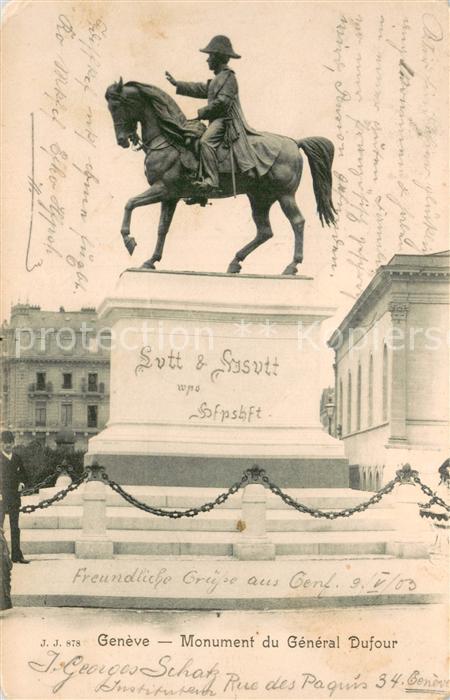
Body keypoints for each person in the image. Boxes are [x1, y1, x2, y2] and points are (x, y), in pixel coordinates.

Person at [166, 35, 259, 193]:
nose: (207, 60)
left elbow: (222, 103)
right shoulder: (219, 78)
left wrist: (200, 113)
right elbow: (202, 89)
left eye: (210, 56)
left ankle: (212, 181)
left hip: (226, 121)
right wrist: (178, 84)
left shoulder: (229, 77)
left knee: (205, 142)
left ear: (218, 57)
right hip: (218, 120)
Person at [0, 431, 30, 564]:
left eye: (10, 442)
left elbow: (23, 474)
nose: (8, 445)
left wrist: (22, 483)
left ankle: (17, 555)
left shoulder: (17, 458)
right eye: (5, 442)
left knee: (15, 527)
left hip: (14, 497)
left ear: (13, 443)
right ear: (1, 443)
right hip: (1, 497)